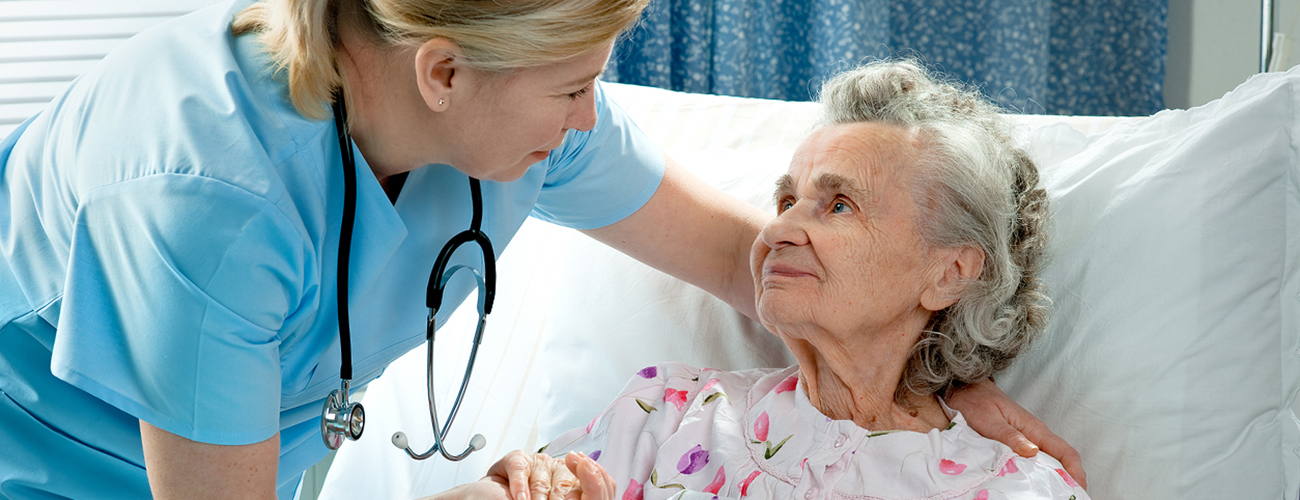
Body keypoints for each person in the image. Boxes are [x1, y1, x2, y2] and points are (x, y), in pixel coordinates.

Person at [0, 0, 1079, 496]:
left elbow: (756, 258)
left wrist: (948, 366)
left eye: (594, 78)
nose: (587, 118)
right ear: (441, 73)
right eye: (575, 85)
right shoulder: (201, 194)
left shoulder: (516, 120)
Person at [534, 59, 1089, 500]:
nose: (779, 228)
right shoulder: (665, 414)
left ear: (950, 273)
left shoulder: (1017, 488)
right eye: (786, 199)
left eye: (840, 205)